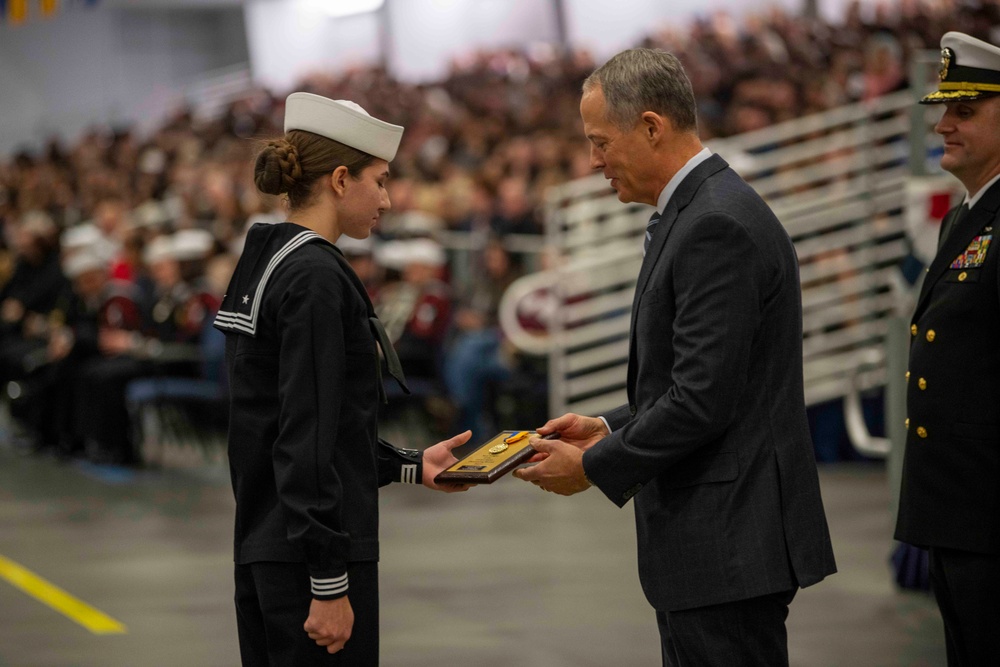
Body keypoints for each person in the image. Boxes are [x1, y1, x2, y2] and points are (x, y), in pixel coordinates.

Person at [513, 48, 837, 666]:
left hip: (731, 540)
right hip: (721, 539)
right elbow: (697, 380)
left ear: (653, 127)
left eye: (601, 142)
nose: (594, 161)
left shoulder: (715, 224)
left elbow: (702, 400)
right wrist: (606, 425)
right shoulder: (697, 211)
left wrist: (594, 465)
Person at [212, 92, 472, 666]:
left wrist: (407, 464)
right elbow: (305, 437)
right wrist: (328, 583)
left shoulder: (271, 255)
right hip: (308, 561)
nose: (385, 197)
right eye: (378, 180)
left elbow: (293, 424)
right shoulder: (315, 278)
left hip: (268, 545)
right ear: (338, 180)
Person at [894, 31, 1000, 666]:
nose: (944, 124)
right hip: (960, 516)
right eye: (944, 109)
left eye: (965, 110)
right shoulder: (963, 218)